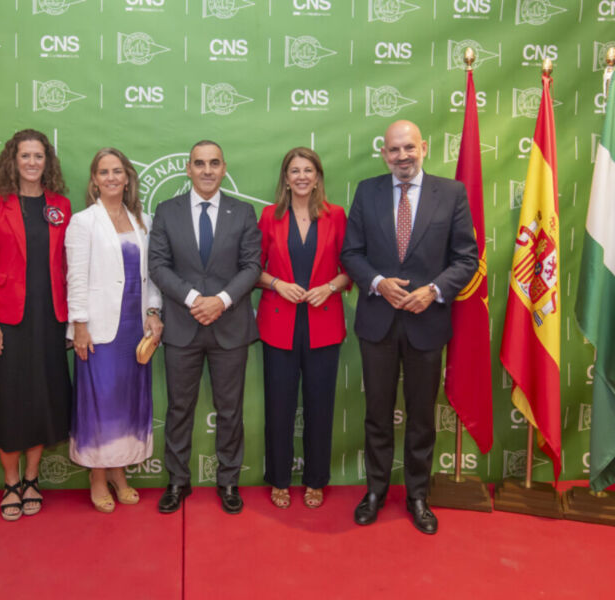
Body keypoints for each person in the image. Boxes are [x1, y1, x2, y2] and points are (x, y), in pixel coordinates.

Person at [341, 120, 477, 534]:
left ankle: (418, 495)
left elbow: (466, 258)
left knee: (421, 417)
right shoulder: (367, 191)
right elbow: (351, 253)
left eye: (409, 148)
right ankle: (375, 492)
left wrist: (433, 291)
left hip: (427, 323)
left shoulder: (451, 193)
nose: (402, 156)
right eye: (394, 149)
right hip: (378, 323)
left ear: (424, 148)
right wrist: (378, 282)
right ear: (384, 154)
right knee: (377, 415)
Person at [148, 140, 261, 515]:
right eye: (200, 163)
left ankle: (228, 480)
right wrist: (195, 299)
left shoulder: (243, 212)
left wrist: (221, 301)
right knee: (179, 409)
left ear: (224, 168)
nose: (207, 170)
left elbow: (252, 266)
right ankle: (177, 481)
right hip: (183, 326)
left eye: (214, 163)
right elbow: (158, 265)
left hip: (230, 325)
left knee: (230, 411)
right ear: (188, 168)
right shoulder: (167, 212)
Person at [0, 129, 72, 521]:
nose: (32, 162)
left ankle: (32, 478)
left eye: (38, 156)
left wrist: (73, 320)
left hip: (49, 318)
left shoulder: (60, 205)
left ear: (48, 162)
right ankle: (11, 482)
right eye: (25, 156)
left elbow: (69, 264)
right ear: (13, 160)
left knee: (43, 398)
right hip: (8, 320)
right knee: (9, 401)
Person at [65, 148, 163, 513]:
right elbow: (76, 278)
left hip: (135, 329)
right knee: (100, 403)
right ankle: (96, 476)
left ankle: (119, 474)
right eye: (104, 172)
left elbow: (151, 275)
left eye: (117, 171)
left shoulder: (144, 220)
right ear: (94, 180)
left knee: (126, 403)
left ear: (127, 178)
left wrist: (153, 312)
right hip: (98, 330)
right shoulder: (83, 222)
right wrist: (79, 325)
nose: (111, 177)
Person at [256, 147, 350, 510]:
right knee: (278, 407)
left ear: (318, 177)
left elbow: (351, 268)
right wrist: (277, 283)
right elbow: (253, 268)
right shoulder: (269, 216)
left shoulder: (336, 215)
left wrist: (330, 287)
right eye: (294, 171)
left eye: (308, 170)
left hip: (323, 323)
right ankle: (279, 479)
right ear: (285, 178)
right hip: (278, 324)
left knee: (320, 406)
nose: (301, 177)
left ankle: (316, 480)